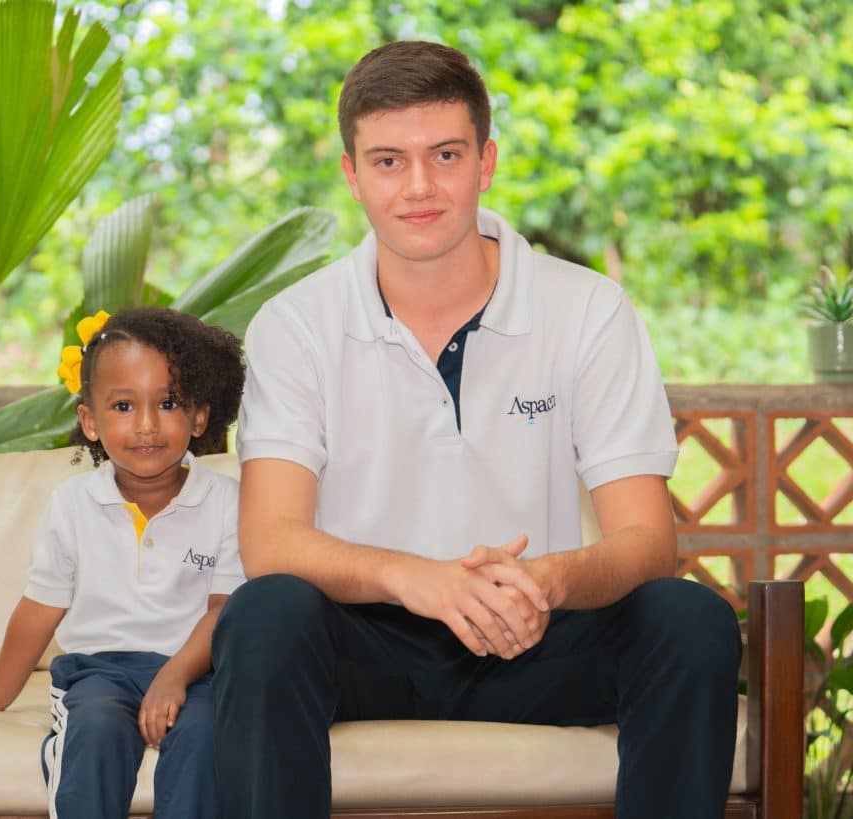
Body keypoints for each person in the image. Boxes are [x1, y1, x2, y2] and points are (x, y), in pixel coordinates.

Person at [211, 40, 742, 819]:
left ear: (485, 162)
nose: (419, 186)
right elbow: (271, 540)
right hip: (368, 644)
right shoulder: (296, 324)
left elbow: (647, 541)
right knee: (264, 616)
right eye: (388, 161)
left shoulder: (588, 310)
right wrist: (418, 578)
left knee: (690, 620)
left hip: (537, 636)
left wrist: (549, 581)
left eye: (446, 155)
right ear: (353, 174)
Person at [0, 306, 245, 819]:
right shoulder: (71, 504)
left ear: (199, 416)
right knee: (96, 729)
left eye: (168, 402)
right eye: (123, 406)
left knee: (206, 737)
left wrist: (174, 677)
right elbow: (39, 609)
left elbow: (224, 611)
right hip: (99, 672)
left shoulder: (227, 501)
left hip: (197, 673)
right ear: (90, 421)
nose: (146, 425)